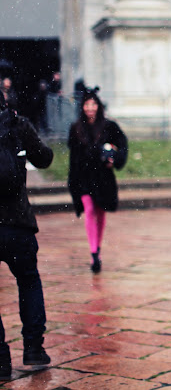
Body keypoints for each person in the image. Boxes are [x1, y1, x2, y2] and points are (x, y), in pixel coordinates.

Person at [0, 91, 54, 380]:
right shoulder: (18, 125)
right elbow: (44, 159)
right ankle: (34, 348)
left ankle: (0, 360)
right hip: (18, 222)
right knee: (29, 281)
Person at [67, 87, 128, 273]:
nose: (90, 108)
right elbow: (73, 157)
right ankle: (93, 252)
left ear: (98, 106)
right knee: (90, 210)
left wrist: (114, 158)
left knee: (101, 212)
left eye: (93, 104)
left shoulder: (109, 126)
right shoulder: (76, 128)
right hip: (84, 177)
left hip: (102, 177)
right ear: (82, 107)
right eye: (87, 104)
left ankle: (97, 248)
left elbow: (123, 145)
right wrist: (72, 180)